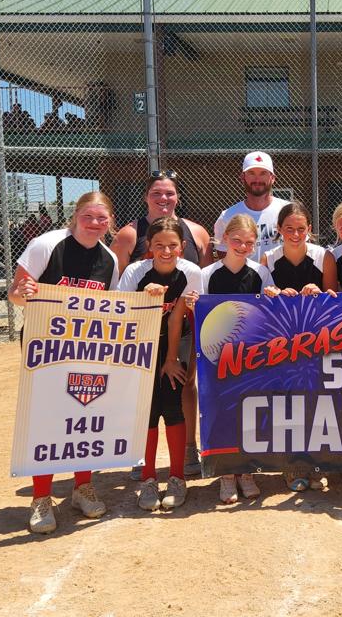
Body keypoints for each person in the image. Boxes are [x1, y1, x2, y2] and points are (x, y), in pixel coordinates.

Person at [7, 191, 121, 534]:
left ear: (110, 222)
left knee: (85, 415)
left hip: (88, 348)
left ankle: (82, 487)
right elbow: (15, 293)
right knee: (47, 420)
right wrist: (23, 294)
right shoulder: (46, 245)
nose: (95, 223)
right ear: (75, 216)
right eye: (88, 216)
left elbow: (111, 307)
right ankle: (41, 497)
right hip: (47, 347)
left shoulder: (109, 259)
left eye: (102, 218)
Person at [113, 171, 213, 479]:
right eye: (156, 193)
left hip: (179, 331)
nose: (163, 198)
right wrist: (145, 297)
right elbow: (121, 303)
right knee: (141, 392)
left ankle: (188, 450)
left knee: (182, 385)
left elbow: (189, 303)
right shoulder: (131, 243)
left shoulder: (194, 244)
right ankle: (140, 455)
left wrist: (194, 305)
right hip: (142, 333)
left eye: (169, 193)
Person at [118, 217, 203, 512]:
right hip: (142, 344)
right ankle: (149, 477)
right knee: (147, 410)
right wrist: (145, 298)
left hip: (174, 343)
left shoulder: (190, 272)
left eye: (172, 245)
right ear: (149, 247)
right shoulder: (136, 271)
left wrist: (170, 359)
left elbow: (179, 317)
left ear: (182, 246)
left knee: (173, 404)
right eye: (159, 245)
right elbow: (121, 314)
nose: (166, 251)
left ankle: (177, 477)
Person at [198, 214, 281, 504]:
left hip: (251, 356)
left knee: (248, 411)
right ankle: (226, 473)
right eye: (237, 240)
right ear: (224, 239)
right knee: (222, 411)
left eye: (249, 242)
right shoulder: (207, 274)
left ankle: (246, 470)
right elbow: (199, 313)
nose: (243, 247)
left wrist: (273, 296)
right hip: (217, 357)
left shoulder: (260, 272)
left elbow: (271, 313)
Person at [261, 202, 338, 492]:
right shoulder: (268, 258)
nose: (295, 234)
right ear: (279, 229)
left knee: (318, 402)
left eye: (301, 229)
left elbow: (334, 298)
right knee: (287, 403)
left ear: (310, 229)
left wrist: (318, 293)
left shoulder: (323, 256)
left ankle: (318, 464)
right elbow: (263, 301)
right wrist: (275, 294)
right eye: (289, 229)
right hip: (282, 342)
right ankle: (292, 465)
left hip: (317, 339)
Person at [213, 151, 290, 263]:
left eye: (263, 173)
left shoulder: (288, 211)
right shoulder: (228, 216)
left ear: (272, 178)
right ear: (242, 177)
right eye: (251, 173)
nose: (257, 180)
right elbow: (224, 256)